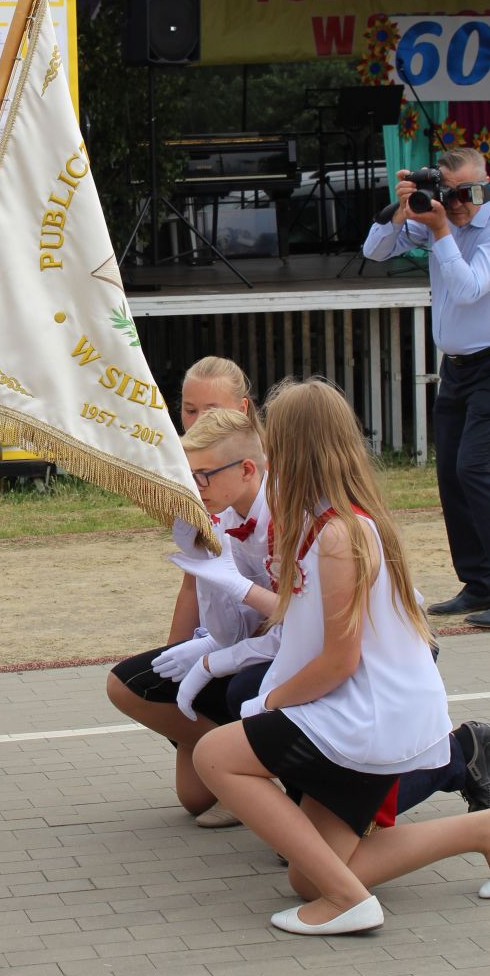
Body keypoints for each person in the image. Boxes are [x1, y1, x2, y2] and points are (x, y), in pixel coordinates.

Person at [193, 378, 490, 937]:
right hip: (360, 707)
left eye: (273, 442)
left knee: (216, 755)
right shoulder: (328, 520)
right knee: (308, 878)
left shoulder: (340, 533)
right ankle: (482, 832)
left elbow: (340, 660)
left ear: (294, 448)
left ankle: (349, 902)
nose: (267, 454)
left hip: (365, 713)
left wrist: (269, 703)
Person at [107, 407, 278, 827]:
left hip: (342, 649)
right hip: (272, 641)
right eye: (188, 473)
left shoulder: (288, 511)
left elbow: (307, 624)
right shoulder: (224, 510)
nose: (193, 486)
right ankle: (248, 773)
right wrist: (203, 560)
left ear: (248, 468)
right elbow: (230, 629)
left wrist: (214, 659)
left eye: (203, 474)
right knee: (130, 685)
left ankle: (271, 778)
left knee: (244, 691)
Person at [362, 147, 490, 624]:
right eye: (449, 194)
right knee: (451, 475)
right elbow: (373, 251)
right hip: (457, 366)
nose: (457, 205)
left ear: (485, 183)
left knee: (476, 468)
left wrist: (439, 232)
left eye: (468, 194)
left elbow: (470, 289)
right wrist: (401, 211)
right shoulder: (435, 217)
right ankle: (479, 583)